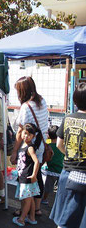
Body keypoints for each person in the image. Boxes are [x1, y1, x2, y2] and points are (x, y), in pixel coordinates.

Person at [10, 76, 48, 217]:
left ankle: (24, 211)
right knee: (36, 176)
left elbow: (21, 131)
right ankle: (36, 209)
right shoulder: (42, 101)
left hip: (28, 149)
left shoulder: (26, 107)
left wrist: (14, 151)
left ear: (23, 91)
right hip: (40, 145)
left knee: (26, 179)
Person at [50, 83, 86, 228]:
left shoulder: (68, 118)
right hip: (83, 175)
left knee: (64, 217)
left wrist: (71, 155)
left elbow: (59, 144)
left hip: (67, 174)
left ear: (75, 100)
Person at [12, 123, 41, 226]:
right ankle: (32, 218)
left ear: (33, 136)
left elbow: (36, 162)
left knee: (26, 200)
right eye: (25, 133)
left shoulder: (30, 147)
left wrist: (33, 175)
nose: (26, 136)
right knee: (30, 198)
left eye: (29, 134)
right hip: (24, 176)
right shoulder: (23, 145)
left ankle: (22, 219)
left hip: (27, 177)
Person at [41, 125, 64, 205]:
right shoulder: (62, 146)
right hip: (61, 170)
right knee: (61, 188)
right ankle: (59, 202)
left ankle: (44, 199)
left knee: (48, 187)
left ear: (49, 135)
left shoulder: (48, 146)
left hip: (51, 170)